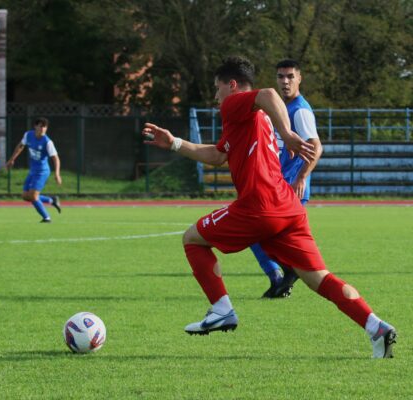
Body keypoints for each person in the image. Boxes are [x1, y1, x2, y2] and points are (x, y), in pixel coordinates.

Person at [142, 56, 396, 358]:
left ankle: (221, 309)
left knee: (192, 239)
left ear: (232, 85)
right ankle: (375, 326)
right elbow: (217, 155)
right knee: (318, 278)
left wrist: (288, 134)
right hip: (288, 208)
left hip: (258, 205)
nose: (215, 95)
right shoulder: (249, 117)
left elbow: (268, 94)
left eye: (217, 88)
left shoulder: (234, 104)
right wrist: (174, 143)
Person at [250, 59, 323, 298]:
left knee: (256, 232)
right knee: (261, 235)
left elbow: (316, 147)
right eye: (280, 77)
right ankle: (283, 276)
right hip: (276, 188)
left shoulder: (300, 110)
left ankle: (285, 274)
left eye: (290, 76)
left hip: (290, 189)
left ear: (299, 78)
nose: (285, 81)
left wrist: (301, 177)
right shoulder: (280, 107)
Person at [6, 117, 62, 222]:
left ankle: (46, 218)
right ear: (35, 126)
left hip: (42, 172)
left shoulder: (48, 142)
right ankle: (51, 200)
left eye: (44, 127)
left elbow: (56, 158)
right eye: (40, 126)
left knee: (33, 196)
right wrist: (11, 159)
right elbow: (20, 146)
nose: (42, 128)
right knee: (25, 196)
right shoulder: (28, 135)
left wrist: (57, 173)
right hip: (33, 170)